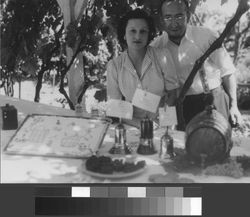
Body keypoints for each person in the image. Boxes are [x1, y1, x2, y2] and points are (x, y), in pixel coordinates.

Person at [151, 0, 242, 127]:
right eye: (168, 17)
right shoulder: (156, 47)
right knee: (182, 144)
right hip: (181, 106)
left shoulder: (205, 36)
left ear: (187, 14)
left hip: (213, 100)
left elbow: (228, 72)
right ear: (161, 19)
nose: (174, 23)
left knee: (219, 144)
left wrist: (234, 106)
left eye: (179, 16)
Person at [107, 8, 179, 127]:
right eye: (132, 31)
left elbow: (172, 94)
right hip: (131, 125)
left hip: (163, 123)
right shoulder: (114, 66)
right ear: (124, 34)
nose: (138, 36)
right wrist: (140, 124)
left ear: (149, 34)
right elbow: (115, 106)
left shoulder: (162, 56)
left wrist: (163, 122)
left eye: (143, 31)